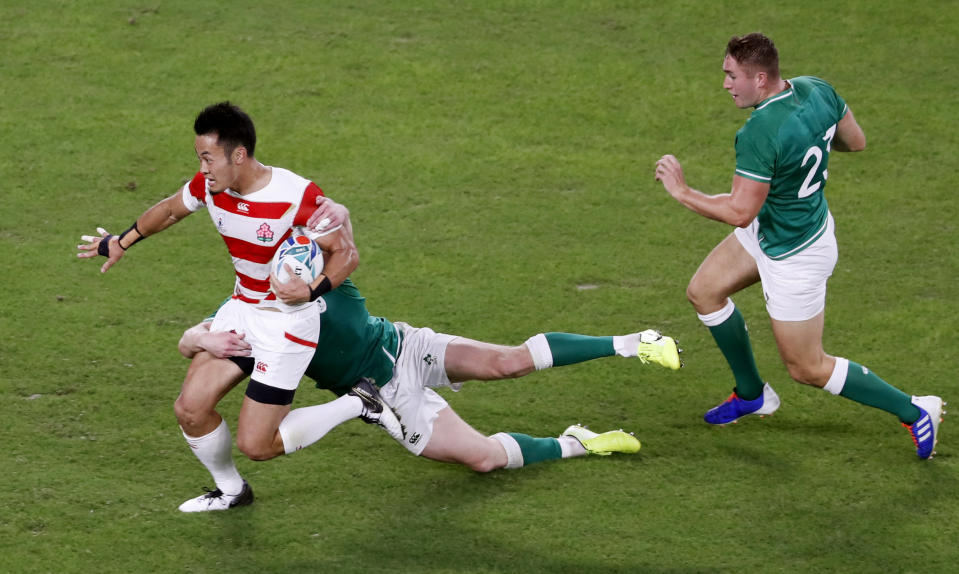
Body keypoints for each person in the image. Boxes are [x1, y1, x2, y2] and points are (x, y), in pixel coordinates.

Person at [78, 102, 403, 513]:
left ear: (238, 155)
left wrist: (312, 290)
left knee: (258, 445)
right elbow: (169, 210)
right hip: (243, 310)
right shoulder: (208, 187)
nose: (203, 167)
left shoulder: (298, 195)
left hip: (288, 325)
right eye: (199, 158)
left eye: (208, 157)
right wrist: (121, 242)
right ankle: (232, 491)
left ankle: (360, 402)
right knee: (191, 409)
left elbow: (346, 253)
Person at [654, 33, 944, 459]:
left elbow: (739, 212)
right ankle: (752, 394)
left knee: (807, 368)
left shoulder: (759, 131)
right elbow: (855, 141)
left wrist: (681, 191)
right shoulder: (817, 89)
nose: (725, 84)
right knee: (705, 291)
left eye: (731, 76)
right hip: (784, 228)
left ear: (759, 77)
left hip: (795, 256)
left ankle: (915, 409)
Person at [178, 274, 683, 504]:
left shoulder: (331, 284)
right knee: (484, 459)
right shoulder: (255, 313)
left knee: (508, 363)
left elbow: (338, 252)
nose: (292, 278)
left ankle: (633, 341)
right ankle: (579, 443)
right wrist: (204, 337)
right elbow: (192, 338)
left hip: (409, 347)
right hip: (393, 399)